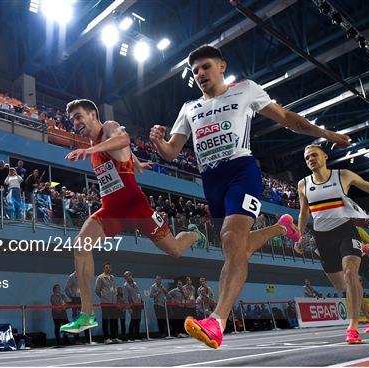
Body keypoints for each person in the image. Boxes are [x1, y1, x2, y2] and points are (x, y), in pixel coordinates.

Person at [149, 44, 349, 349]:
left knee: (231, 238)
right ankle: (282, 227)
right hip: (211, 181)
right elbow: (172, 152)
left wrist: (326, 134)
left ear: (221, 66)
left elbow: (287, 118)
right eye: (195, 71)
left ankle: (217, 321)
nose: (200, 74)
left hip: (242, 171)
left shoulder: (245, 90)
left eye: (205, 67)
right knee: (234, 248)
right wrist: (158, 142)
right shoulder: (189, 108)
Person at [59, 99, 206, 335]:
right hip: (112, 210)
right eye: (72, 119)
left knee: (176, 250)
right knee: (81, 246)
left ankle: (193, 234)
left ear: (93, 115)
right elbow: (122, 150)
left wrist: (89, 150)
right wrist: (135, 162)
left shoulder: (108, 127)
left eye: (78, 116)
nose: (75, 122)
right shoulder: (94, 141)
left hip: (135, 208)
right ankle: (87, 315)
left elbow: (123, 140)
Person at [294, 144, 369, 344]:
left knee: (351, 272)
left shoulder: (343, 175)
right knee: (342, 285)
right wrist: (299, 235)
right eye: (307, 157)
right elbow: (303, 213)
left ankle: (352, 327)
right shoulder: (303, 184)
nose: (311, 159)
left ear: (325, 157)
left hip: (345, 230)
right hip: (322, 238)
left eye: (314, 155)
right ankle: (359, 297)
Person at [94, 262, 119, 344]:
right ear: (103, 269)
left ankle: (114, 337)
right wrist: (103, 297)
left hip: (113, 302)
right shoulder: (100, 277)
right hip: (105, 303)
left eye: (109, 267)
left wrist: (114, 298)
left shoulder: (113, 277)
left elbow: (114, 289)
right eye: (106, 267)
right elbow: (97, 290)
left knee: (113, 321)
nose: (108, 269)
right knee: (105, 321)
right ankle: (106, 338)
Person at [123, 271, 142, 341]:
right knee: (133, 320)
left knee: (138, 320)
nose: (129, 277)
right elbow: (125, 298)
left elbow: (138, 293)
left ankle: (137, 334)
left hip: (138, 304)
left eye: (129, 275)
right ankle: (130, 336)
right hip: (132, 305)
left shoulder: (135, 283)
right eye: (127, 276)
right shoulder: (125, 285)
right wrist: (128, 307)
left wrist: (140, 301)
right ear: (125, 278)